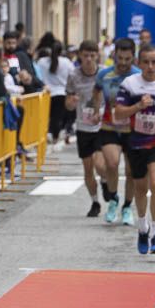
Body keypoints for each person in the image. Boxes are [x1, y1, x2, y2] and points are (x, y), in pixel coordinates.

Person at [114, 44, 155, 254]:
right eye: (146, 62)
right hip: (136, 143)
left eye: (154, 62)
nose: (151, 66)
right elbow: (118, 113)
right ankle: (142, 228)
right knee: (141, 188)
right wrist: (137, 107)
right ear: (139, 63)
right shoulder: (130, 84)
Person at [92, 38, 139, 226]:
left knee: (131, 170)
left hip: (133, 129)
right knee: (111, 164)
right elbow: (96, 91)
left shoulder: (138, 75)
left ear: (133, 57)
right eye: (120, 58)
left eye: (127, 59)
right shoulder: (104, 74)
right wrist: (96, 110)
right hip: (109, 126)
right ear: (114, 55)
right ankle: (113, 199)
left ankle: (127, 206)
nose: (123, 63)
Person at [65, 40, 103, 217]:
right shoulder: (73, 75)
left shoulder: (104, 74)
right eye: (85, 55)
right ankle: (95, 201)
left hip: (102, 127)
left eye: (92, 55)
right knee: (88, 168)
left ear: (97, 55)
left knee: (100, 163)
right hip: (83, 127)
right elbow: (69, 104)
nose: (88, 59)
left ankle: (105, 181)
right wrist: (71, 103)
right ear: (80, 55)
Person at [36, 36, 72, 151]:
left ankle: (46, 134)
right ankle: (54, 135)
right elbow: (72, 75)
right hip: (61, 93)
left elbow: (37, 74)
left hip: (46, 94)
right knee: (57, 117)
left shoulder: (42, 62)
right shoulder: (66, 62)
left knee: (46, 116)